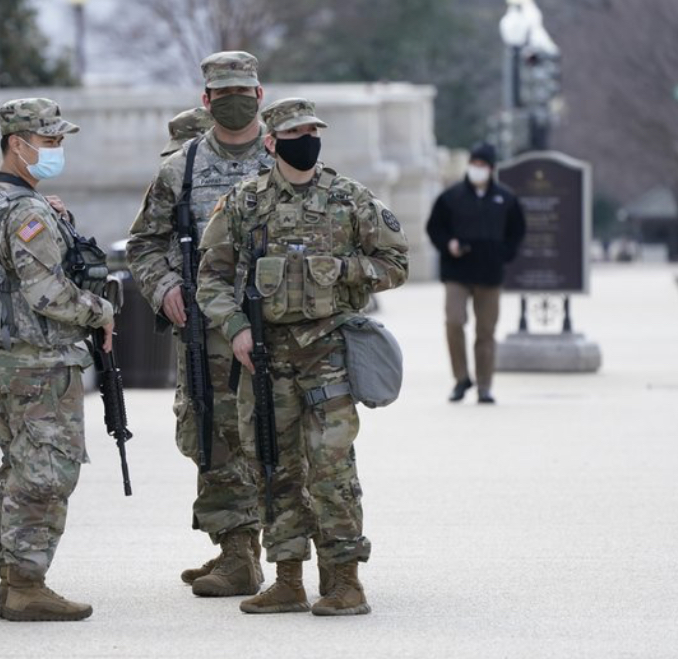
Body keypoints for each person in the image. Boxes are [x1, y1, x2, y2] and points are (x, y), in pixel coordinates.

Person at [196, 97, 409, 615]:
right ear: (271, 142)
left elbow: (396, 263)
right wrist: (237, 328)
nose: (306, 139)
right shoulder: (244, 204)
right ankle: (287, 578)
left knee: (332, 466)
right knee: (275, 465)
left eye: (313, 131)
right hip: (266, 357)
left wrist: (341, 270)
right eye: (294, 132)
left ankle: (344, 581)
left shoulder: (349, 198)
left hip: (328, 350)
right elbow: (212, 278)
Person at [0, 98, 115, 622]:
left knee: (21, 468)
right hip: (37, 362)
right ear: (17, 145)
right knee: (46, 472)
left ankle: (15, 578)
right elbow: (46, 292)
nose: (56, 151)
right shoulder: (24, 210)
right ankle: (25, 583)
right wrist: (101, 310)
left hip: (1, 359)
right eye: (48, 142)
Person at [127, 51, 273, 597]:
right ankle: (236, 550)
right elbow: (145, 242)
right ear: (206, 99)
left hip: (271, 329)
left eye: (245, 90)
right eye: (223, 92)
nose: (235, 100)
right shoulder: (181, 168)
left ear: (260, 95)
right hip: (205, 331)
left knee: (274, 436)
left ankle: (280, 555)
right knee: (211, 435)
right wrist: (164, 287)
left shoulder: (284, 158)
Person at [425, 142, 526, 404]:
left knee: (486, 332)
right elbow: (435, 227)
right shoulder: (451, 197)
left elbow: (517, 231)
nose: (476, 169)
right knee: (454, 321)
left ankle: (484, 385)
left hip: (490, 274)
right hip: (457, 272)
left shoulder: (506, 198)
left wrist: (504, 254)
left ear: (491, 169)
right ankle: (461, 378)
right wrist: (449, 244)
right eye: (474, 164)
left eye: (482, 165)